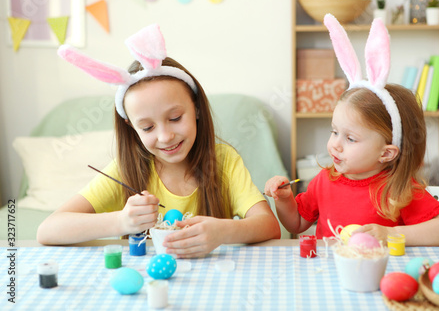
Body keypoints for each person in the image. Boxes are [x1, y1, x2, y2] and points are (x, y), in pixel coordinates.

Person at [37, 24, 281, 257]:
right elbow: (48, 230)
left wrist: (223, 232)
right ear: (132, 127)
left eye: (175, 118)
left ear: (196, 108)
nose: (165, 136)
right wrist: (121, 221)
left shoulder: (223, 161)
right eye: (148, 127)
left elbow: (269, 225)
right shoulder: (126, 170)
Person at [264, 15, 439, 246]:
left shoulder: (398, 189)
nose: (335, 144)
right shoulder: (324, 180)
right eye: (334, 132)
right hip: (327, 278)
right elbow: (296, 224)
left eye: (350, 138)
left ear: (386, 153)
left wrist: (390, 234)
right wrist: (285, 200)